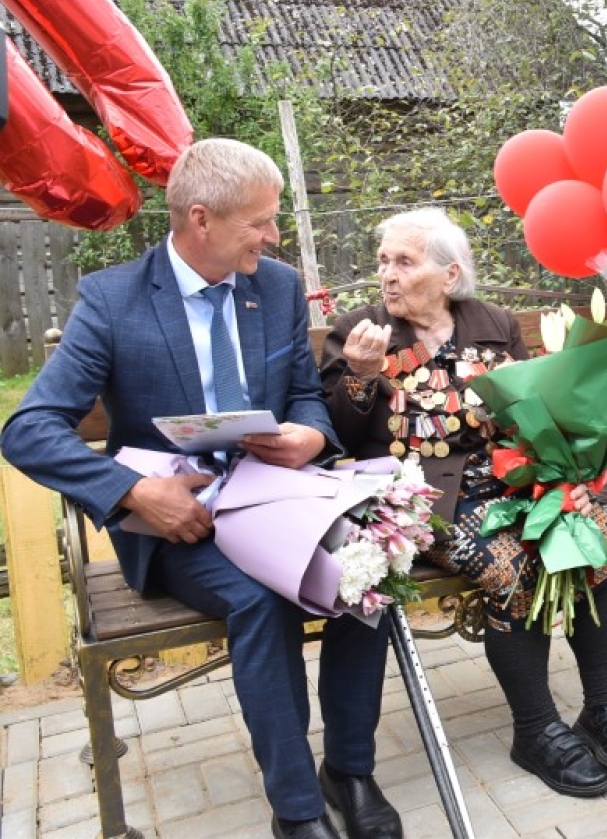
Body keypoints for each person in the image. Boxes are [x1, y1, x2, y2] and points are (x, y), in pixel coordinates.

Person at [0, 138, 402, 839]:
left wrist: (309, 436)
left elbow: (308, 396)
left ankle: (350, 768)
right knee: (259, 603)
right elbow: (29, 428)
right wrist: (131, 492)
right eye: (261, 222)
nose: (274, 237)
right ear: (200, 218)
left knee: (364, 573)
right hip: (180, 516)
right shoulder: (114, 299)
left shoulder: (272, 288)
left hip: (272, 495)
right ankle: (298, 809)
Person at [319, 208, 607, 799]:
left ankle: (603, 708)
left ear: (449, 275)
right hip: (419, 496)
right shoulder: (358, 330)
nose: (387, 275)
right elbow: (334, 434)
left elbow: (534, 410)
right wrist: (362, 377)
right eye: (383, 261)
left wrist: (564, 473)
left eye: (404, 262)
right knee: (512, 565)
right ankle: (535, 728)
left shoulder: (492, 322)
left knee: (600, 542)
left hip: (512, 477)